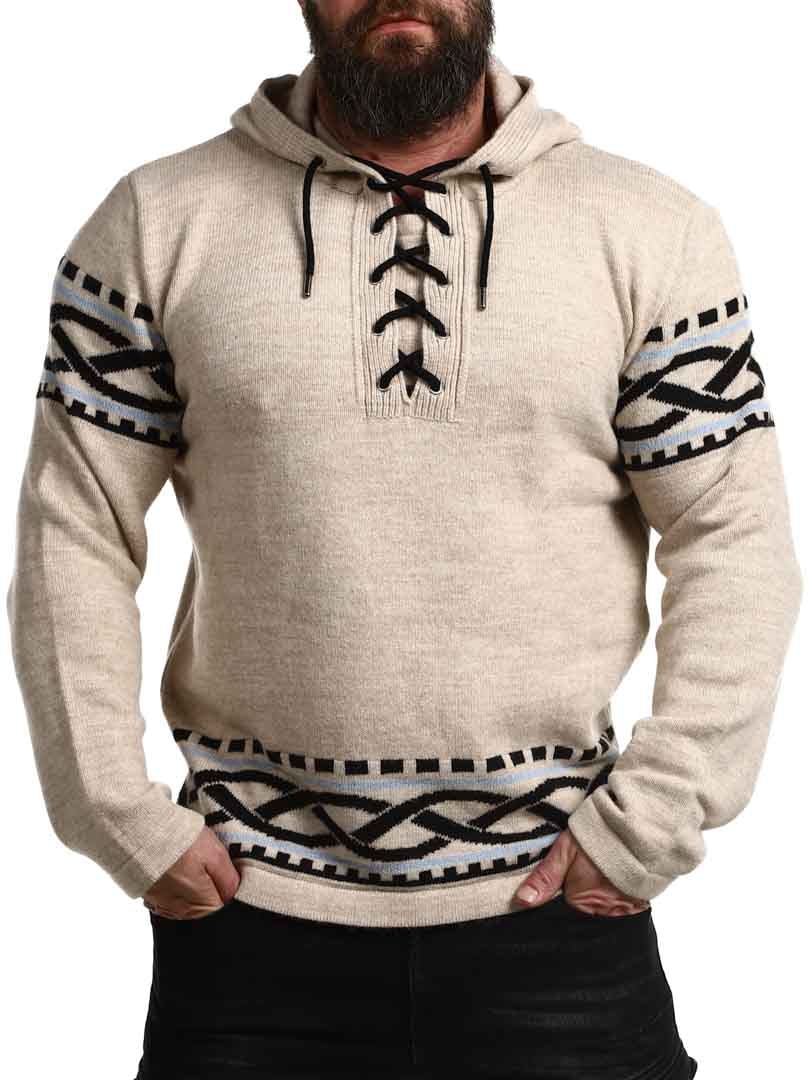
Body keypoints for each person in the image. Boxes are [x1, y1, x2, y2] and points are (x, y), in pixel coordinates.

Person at [7, 1, 802, 1077]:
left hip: (560, 916)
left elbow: (733, 533)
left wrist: (655, 816)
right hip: (245, 926)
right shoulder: (157, 221)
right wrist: (115, 815)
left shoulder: (649, 228)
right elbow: (74, 527)